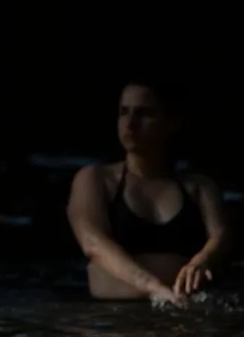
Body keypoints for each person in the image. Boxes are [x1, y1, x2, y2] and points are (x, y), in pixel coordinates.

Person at [65, 75, 231, 305]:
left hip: (182, 311)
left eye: (144, 113)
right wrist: (154, 288)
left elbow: (221, 237)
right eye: (124, 112)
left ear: (171, 123)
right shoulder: (96, 180)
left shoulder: (200, 188)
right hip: (110, 317)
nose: (130, 123)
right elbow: (92, 242)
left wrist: (202, 260)